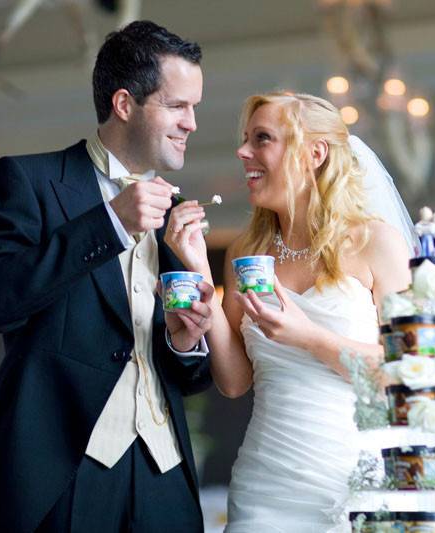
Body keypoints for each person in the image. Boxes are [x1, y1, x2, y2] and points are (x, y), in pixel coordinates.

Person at [0, 21, 213, 532]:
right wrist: (109, 223)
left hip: (163, 472)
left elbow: (188, 378)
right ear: (125, 104)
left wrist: (186, 342)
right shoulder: (29, 180)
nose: (192, 123)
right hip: (62, 470)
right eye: (177, 106)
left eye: (195, 108)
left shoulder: (176, 216)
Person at [164, 92, 417, 531]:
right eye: (245, 139)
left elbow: (408, 376)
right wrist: (200, 270)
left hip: (348, 483)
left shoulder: (375, 243)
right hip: (264, 485)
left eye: (262, 138)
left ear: (314, 153)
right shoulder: (246, 252)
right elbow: (234, 382)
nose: (244, 152)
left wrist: (309, 336)